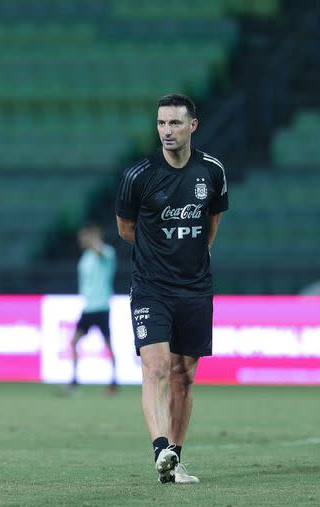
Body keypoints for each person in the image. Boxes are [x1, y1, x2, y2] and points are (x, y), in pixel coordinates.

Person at [115, 94, 228, 484]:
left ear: (192, 125)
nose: (167, 131)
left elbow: (211, 222)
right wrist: (159, 255)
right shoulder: (138, 176)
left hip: (195, 289)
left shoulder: (212, 171)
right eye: (161, 123)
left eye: (175, 123)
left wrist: (190, 255)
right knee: (157, 367)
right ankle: (160, 447)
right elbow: (126, 230)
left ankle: (174, 459)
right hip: (151, 288)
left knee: (185, 375)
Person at [69, 223, 118, 393]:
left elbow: (101, 253)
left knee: (108, 344)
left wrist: (94, 240)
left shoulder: (106, 251)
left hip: (101, 306)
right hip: (88, 307)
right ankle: (74, 381)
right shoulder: (86, 256)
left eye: (84, 237)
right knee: (74, 342)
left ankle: (113, 381)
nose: (81, 241)